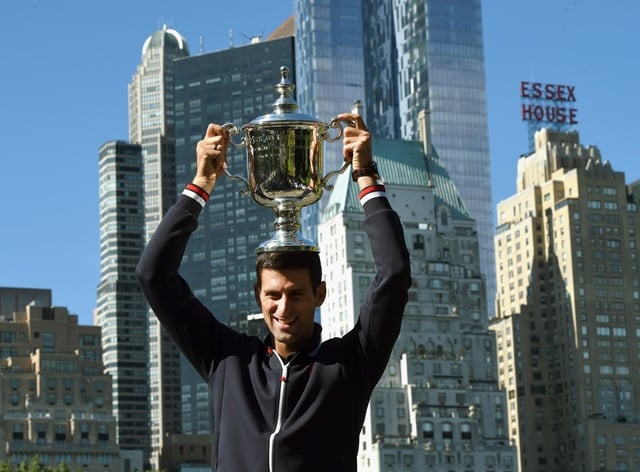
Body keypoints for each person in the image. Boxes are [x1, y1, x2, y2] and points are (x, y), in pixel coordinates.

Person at [135, 113, 411, 472]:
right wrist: (201, 183)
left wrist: (366, 175)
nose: (284, 308)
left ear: (320, 294)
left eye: (296, 294)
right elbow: (152, 274)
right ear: (258, 296)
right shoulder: (227, 361)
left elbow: (394, 273)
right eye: (274, 295)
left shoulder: (349, 364)